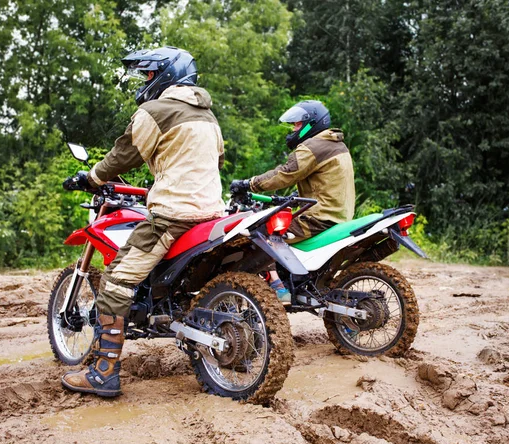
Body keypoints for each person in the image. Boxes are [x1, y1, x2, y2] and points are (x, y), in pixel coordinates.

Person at [61, 46, 225, 397]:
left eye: (149, 74)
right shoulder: (208, 116)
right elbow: (217, 161)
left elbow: (123, 155)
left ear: (166, 75)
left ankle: (103, 372)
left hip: (174, 216)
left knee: (116, 282)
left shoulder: (155, 110)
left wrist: (91, 178)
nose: (145, 81)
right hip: (213, 214)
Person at [230, 100, 355, 303]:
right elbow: (324, 187)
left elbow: (284, 174)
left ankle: (277, 287)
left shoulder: (313, 146)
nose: (293, 129)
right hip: (338, 215)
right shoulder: (337, 145)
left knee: (260, 234)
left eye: (297, 124)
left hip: (317, 218)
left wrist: (248, 183)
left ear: (310, 124)